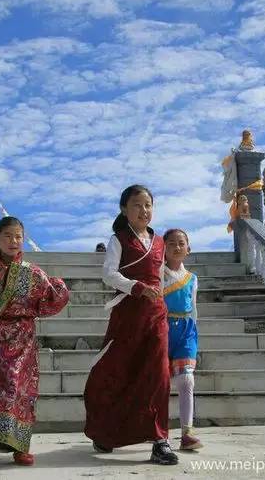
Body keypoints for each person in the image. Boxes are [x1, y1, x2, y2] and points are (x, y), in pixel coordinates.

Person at [0, 216, 70, 466]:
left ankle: (21, 447)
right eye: (8, 236)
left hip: (25, 341)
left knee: (24, 393)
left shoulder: (33, 273)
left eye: (18, 236)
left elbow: (50, 300)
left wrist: (60, 287)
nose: (14, 241)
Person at [83, 185, 178, 465]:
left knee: (159, 375)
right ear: (125, 209)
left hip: (156, 316)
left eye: (148, 205)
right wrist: (136, 287)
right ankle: (106, 430)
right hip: (127, 315)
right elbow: (108, 274)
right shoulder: (119, 239)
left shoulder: (159, 241)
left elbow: (161, 277)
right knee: (118, 373)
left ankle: (160, 440)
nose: (144, 210)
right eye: (137, 205)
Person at [162, 229, 202, 450]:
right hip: (162, 329)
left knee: (186, 380)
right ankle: (159, 431)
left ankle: (187, 432)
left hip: (186, 331)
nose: (177, 247)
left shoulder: (192, 279)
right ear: (164, 249)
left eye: (181, 243)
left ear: (188, 248)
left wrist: (194, 330)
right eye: (171, 244)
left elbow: (194, 308)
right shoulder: (158, 274)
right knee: (160, 383)